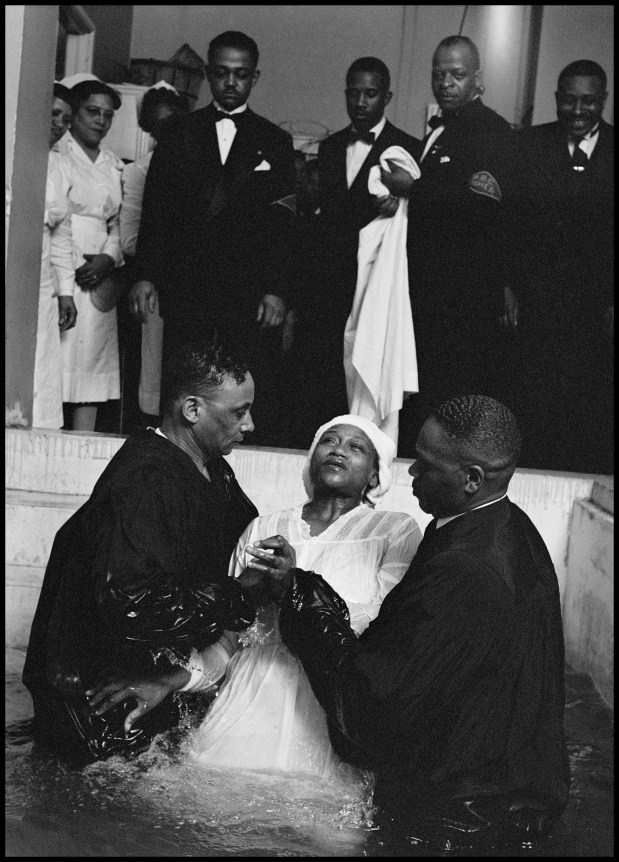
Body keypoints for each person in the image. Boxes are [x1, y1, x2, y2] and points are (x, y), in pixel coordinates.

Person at [277, 395, 570, 848]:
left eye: (427, 465)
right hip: (508, 789)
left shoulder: (464, 570)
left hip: (462, 822)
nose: (412, 471)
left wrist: (301, 596)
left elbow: (373, 706)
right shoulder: (507, 525)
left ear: (472, 479)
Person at [88, 415, 421, 778]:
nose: (338, 450)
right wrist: (168, 680)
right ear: (311, 458)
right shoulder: (264, 527)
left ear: (374, 475)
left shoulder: (395, 531)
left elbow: (384, 631)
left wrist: (292, 588)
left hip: (330, 715)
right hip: (244, 713)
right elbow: (230, 641)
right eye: (329, 441)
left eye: (355, 447)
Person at [23, 340, 268, 764]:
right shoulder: (142, 480)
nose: (249, 425)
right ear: (192, 410)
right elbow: (131, 600)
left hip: (159, 679)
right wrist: (238, 594)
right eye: (238, 412)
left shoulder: (212, 467)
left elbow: (243, 533)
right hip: (103, 696)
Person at [129, 31, 297, 445]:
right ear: (207, 74)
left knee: (243, 373)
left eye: (241, 74)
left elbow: (283, 227)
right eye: (221, 73)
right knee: (185, 372)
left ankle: (240, 450)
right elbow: (156, 209)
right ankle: (176, 452)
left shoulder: (275, 141)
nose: (230, 82)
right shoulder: (178, 131)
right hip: (186, 277)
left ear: (254, 77)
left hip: (247, 284)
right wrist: (145, 274)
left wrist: (276, 288)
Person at [380, 37, 518, 454]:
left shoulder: (491, 130)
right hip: (429, 293)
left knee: (454, 400)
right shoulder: (440, 130)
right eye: (438, 74)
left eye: (457, 75)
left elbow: (481, 205)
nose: (445, 83)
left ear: (478, 78)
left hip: (464, 298)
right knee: (427, 398)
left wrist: (413, 189)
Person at [302, 58, 421, 428]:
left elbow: (421, 221)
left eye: (370, 94)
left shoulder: (408, 147)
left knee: (368, 377)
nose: (360, 102)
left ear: (387, 97)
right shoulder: (330, 146)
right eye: (353, 94)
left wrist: (402, 203)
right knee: (325, 379)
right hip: (329, 282)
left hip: (376, 282)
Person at [512, 60, 613, 473]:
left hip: (597, 310)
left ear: (603, 101)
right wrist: (508, 285)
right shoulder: (528, 145)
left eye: (588, 101)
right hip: (536, 304)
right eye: (569, 100)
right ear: (556, 99)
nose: (577, 110)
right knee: (533, 403)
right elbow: (509, 224)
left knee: (589, 407)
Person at [119, 83, 191, 425]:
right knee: (154, 373)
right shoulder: (138, 170)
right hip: (158, 282)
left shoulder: (196, 162)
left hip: (193, 283)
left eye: (175, 121)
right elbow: (130, 238)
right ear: (148, 127)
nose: (169, 130)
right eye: (160, 124)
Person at [58, 76, 125, 432]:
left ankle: (84, 440)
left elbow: (118, 223)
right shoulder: (58, 154)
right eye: (92, 111)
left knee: (92, 364)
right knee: (60, 357)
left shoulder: (114, 165)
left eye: (108, 114)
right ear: (74, 113)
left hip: (101, 272)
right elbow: (54, 217)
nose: (100, 120)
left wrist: (108, 258)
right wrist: (75, 263)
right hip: (63, 268)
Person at [32, 83, 78, 428]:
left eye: (66, 119)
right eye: (53, 114)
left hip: (42, 278)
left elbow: (62, 234)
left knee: (41, 358)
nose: (59, 124)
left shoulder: (61, 166)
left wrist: (66, 291)